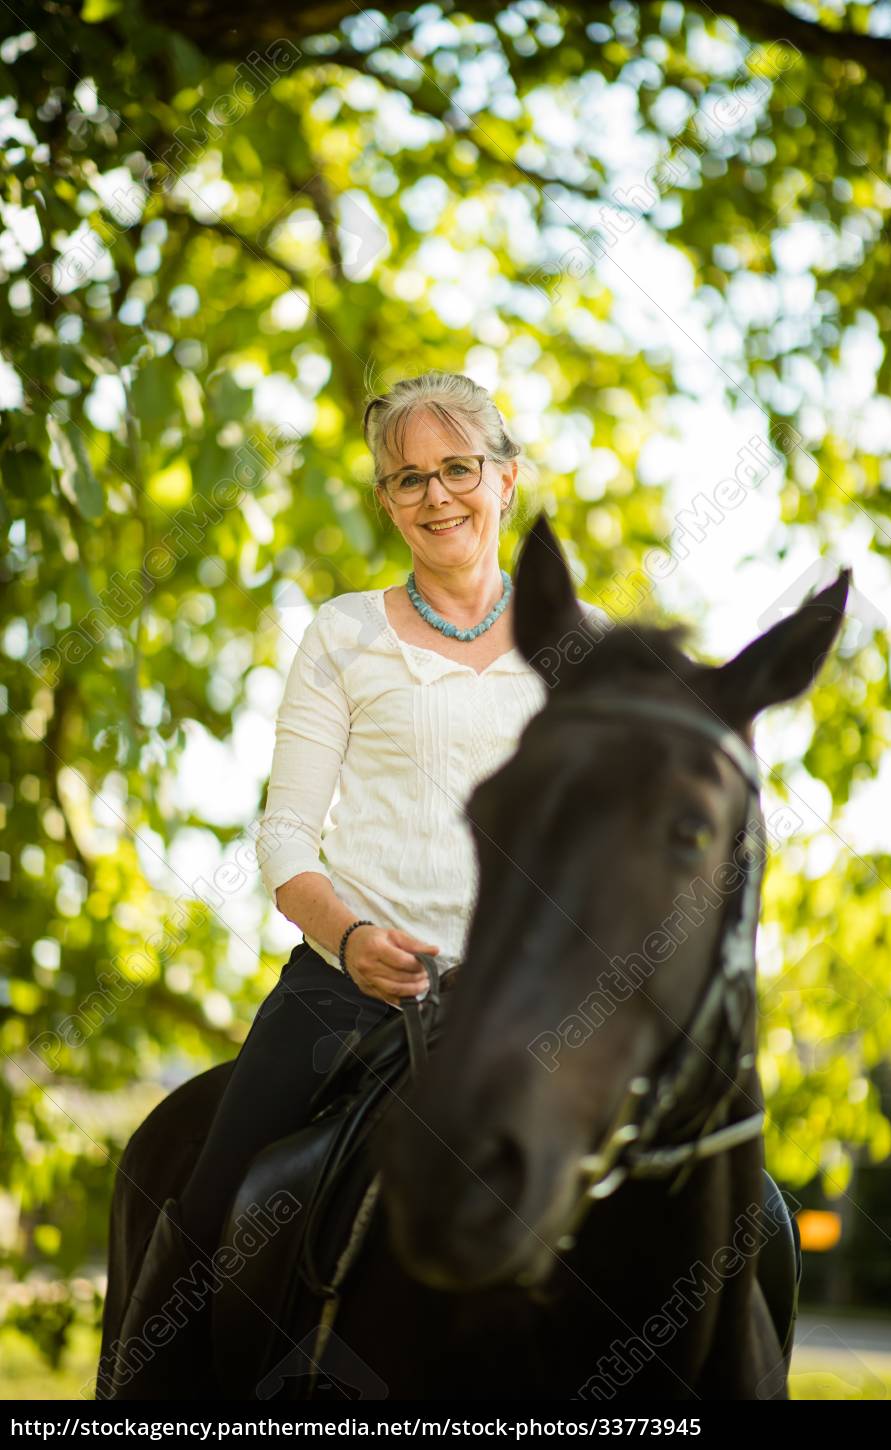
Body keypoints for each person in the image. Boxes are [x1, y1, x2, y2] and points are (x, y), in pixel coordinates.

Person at [107, 371, 607, 1398]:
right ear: (386, 499)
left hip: (531, 1008)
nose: (436, 497)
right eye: (408, 478)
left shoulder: (581, 644)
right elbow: (286, 838)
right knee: (203, 1210)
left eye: (458, 468)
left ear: (506, 478)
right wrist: (351, 940)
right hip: (348, 989)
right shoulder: (343, 634)